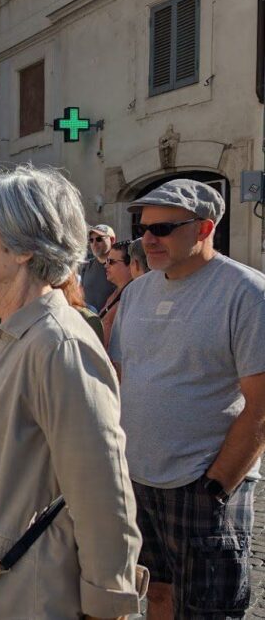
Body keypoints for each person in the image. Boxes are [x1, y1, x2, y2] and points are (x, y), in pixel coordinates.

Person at [0, 165, 143, 618]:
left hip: (31, 595)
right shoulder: (7, 334)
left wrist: (107, 604)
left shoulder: (57, 344)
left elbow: (103, 492)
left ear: (22, 247)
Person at [111, 178, 265, 619]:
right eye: (143, 229)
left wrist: (216, 486)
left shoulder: (247, 293)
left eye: (163, 229)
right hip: (139, 477)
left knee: (208, 610)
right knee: (156, 592)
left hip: (202, 483)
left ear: (203, 228)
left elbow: (261, 407)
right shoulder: (137, 292)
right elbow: (123, 376)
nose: (148, 239)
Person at [97, 240, 133, 347]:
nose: (106, 266)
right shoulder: (115, 294)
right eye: (106, 261)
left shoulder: (132, 297)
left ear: (131, 264)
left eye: (111, 262)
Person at [81, 224, 118, 311]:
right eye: (91, 240)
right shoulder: (86, 267)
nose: (94, 244)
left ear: (112, 240)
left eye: (99, 239)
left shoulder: (120, 266)